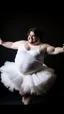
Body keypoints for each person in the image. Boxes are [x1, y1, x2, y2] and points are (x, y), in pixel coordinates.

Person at [0, 28, 64, 105]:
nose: (30, 37)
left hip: (33, 75)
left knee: (24, 93)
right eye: (29, 35)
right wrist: (2, 42)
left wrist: (62, 49)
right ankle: (27, 97)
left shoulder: (42, 47)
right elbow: (12, 44)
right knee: (22, 93)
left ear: (39, 37)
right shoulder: (23, 43)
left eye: (33, 36)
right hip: (18, 73)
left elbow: (54, 50)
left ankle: (27, 98)